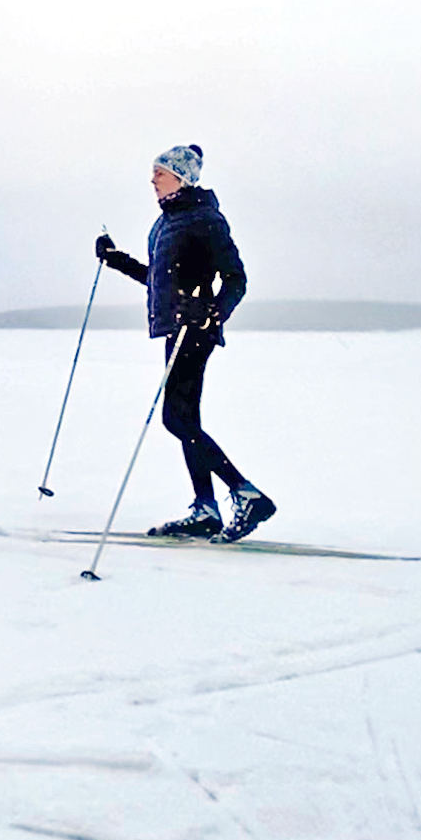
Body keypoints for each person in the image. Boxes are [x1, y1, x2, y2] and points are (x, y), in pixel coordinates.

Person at [95, 144, 275, 542]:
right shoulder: (165, 223)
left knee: (176, 419)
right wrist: (116, 259)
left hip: (194, 329)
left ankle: (247, 495)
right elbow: (159, 280)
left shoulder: (204, 218)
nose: (152, 180)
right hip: (176, 328)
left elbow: (236, 279)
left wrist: (214, 312)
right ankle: (206, 509)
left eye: (159, 173)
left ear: (181, 177)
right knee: (186, 420)